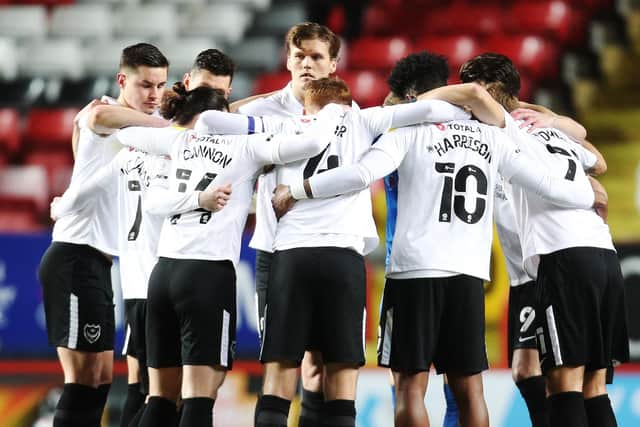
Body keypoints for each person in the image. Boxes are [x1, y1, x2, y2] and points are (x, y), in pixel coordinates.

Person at [271, 52, 601, 427]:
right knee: (470, 388)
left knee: (409, 386)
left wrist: (296, 191)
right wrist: (589, 196)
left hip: (414, 271)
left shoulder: (408, 131)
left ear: (413, 95)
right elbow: (546, 180)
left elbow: (362, 173)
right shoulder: (491, 133)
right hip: (469, 274)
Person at [108, 83, 342, 427]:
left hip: (163, 274)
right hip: (207, 275)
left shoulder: (176, 140)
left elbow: (124, 133)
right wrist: (331, 113)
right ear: (224, 114)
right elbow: (310, 144)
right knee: (198, 401)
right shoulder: (245, 146)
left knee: (158, 398)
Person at [458, 53, 629, 427]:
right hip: (602, 255)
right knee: (592, 386)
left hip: (561, 258)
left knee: (563, 383)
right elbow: (596, 162)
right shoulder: (547, 130)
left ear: (488, 94)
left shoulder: (506, 131)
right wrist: (552, 119)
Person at [38, 42, 170, 427]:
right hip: (74, 254)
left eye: (161, 85)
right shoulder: (104, 114)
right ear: (122, 79)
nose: (154, 94)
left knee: (98, 379)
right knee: (81, 381)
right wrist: (176, 121)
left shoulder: (122, 125)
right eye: (145, 85)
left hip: (95, 259)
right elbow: (100, 119)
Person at [236, 22, 346, 425]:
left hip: (329, 250)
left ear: (333, 64)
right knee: (281, 364)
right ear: (287, 60)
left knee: (321, 368)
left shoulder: (349, 113)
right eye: (299, 55)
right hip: (275, 251)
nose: (306, 63)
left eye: (316, 56)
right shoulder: (259, 111)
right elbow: (210, 129)